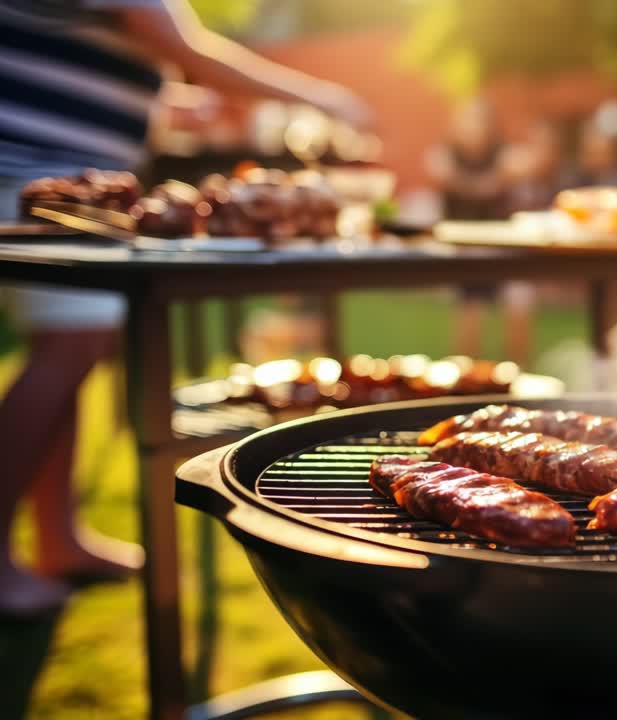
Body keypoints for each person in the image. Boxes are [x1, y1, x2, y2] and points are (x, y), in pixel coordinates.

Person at [0, 0, 373, 617]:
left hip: (48, 177)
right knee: (67, 352)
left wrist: (162, 104)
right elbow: (190, 50)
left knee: (68, 350)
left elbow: (94, 50)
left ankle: (57, 537)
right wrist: (322, 98)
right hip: (40, 181)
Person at [424, 98, 521, 361]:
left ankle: (518, 375)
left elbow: (509, 173)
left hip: (504, 246)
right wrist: (485, 183)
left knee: (517, 307)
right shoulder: (445, 154)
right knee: (469, 311)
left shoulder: (503, 153)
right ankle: (469, 381)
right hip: (464, 249)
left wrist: (472, 183)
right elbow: (448, 176)